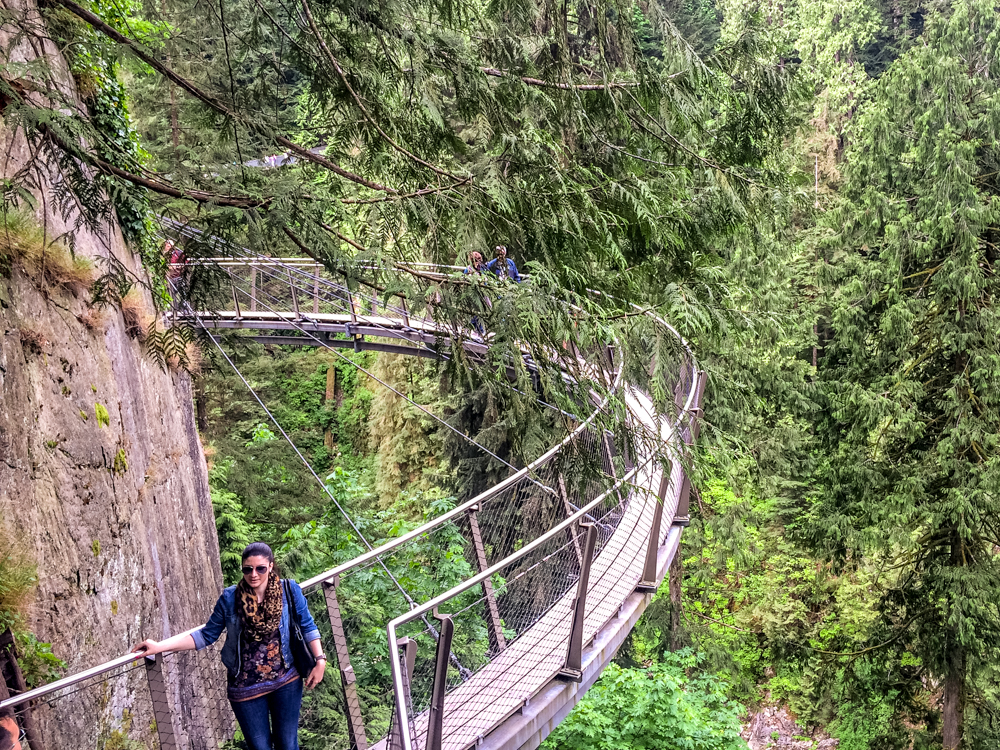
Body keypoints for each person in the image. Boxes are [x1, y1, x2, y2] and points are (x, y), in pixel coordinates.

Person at [132, 543, 326, 750]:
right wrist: (160, 646)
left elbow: (307, 626)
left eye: (260, 568)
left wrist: (320, 660)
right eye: (247, 569)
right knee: (260, 748)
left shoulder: (289, 590)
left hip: (286, 680)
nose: (253, 574)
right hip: (245, 687)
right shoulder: (230, 599)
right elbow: (206, 635)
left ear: (270, 566)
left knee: (288, 744)